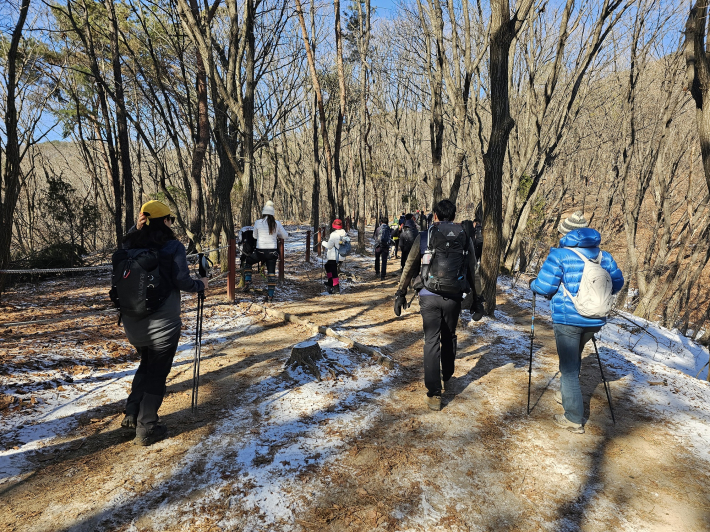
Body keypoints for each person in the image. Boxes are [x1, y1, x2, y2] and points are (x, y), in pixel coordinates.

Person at [120, 200, 208, 446]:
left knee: (146, 364)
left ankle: (131, 412)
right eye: (171, 218)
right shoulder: (172, 247)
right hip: (163, 324)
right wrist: (201, 285)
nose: (172, 222)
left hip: (132, 323)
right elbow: (182, 281)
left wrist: (134, 229)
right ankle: (147, 427)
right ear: (166, 221)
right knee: (158, 371)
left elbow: (126, 243)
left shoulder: (130, 245)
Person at [530, 211, 624, 434]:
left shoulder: (560, 256)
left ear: (565, 233)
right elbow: (617, 283)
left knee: (569, 369)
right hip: (595, 319)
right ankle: (567, 395)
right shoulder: (604, 256)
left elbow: (545, 288)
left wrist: (533, 283)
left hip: (567, 319)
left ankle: (573, 417)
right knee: (575, 358)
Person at [393, 199, 483, 412]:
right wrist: (478, 299)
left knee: (431, 341)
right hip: (453, 297)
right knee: (449, 335)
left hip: (428, 295)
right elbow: (473, 269)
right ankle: (447, 374)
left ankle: (434, 394)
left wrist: (400, 292)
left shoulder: (425, 237)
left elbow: (409, 266)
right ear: (454, 216)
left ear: (434, 215)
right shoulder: (464, 237)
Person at [251, 200, 288, 303]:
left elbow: (254, 236)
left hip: (260, 252)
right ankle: (270, 295)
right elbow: (285, 236)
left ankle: (248, 281)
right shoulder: (277, 223)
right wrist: (277, 235)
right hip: (272, 252)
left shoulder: (258, 222)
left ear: (264, 213)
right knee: (271, 273)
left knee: (248, 262)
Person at [322, 218, 347, 294]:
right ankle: (330, 282)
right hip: (341, 255)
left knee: (333, 271)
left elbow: (329, 246)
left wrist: (323, 242)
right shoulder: (344, 233)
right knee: (327, 266)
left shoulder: (334, 235)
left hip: (334, 256)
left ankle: (336, 288)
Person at [237, 225, 257, 291]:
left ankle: (247, 281)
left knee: (247, 263)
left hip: (245, 250)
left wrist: (241, 255)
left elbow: (240, 241)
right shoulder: (253, 230)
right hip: (254, 251)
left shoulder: (242, 230)